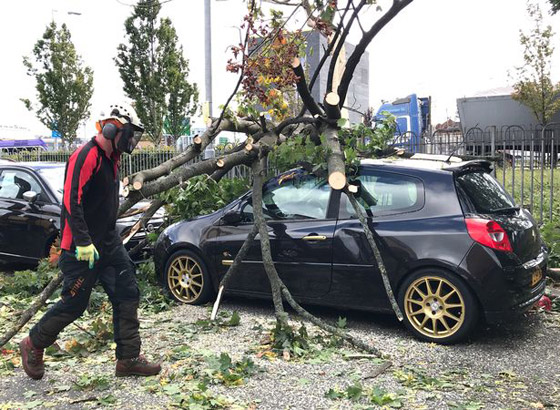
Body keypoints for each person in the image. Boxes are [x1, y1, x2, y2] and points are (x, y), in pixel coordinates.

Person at [19, 102, 161, 379]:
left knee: (127, 293)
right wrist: (83, 242)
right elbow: (72, 200)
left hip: (108, 243)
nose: (131, 140)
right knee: (74, 303)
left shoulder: (113, 158)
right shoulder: (86, 156)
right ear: (111, 129)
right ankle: (33, 343)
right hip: (81, 248)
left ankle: (128, 359)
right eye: (129, 133)